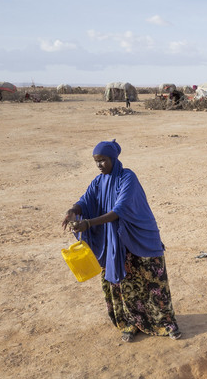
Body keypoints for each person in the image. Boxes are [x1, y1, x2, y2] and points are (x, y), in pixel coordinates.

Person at [62, 140, 181, 343]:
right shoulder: (99, 181)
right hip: (114, 241)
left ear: (113, 159)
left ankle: (164, 323)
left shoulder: (127, 177)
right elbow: (85, 200)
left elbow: (120, 210)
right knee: (122, 284)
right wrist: (73, 210)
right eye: (96, 161)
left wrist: (89, 223)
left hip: (139, 236)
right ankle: (129, 323)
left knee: (152, 279)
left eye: (103, 160)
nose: (99, 165)